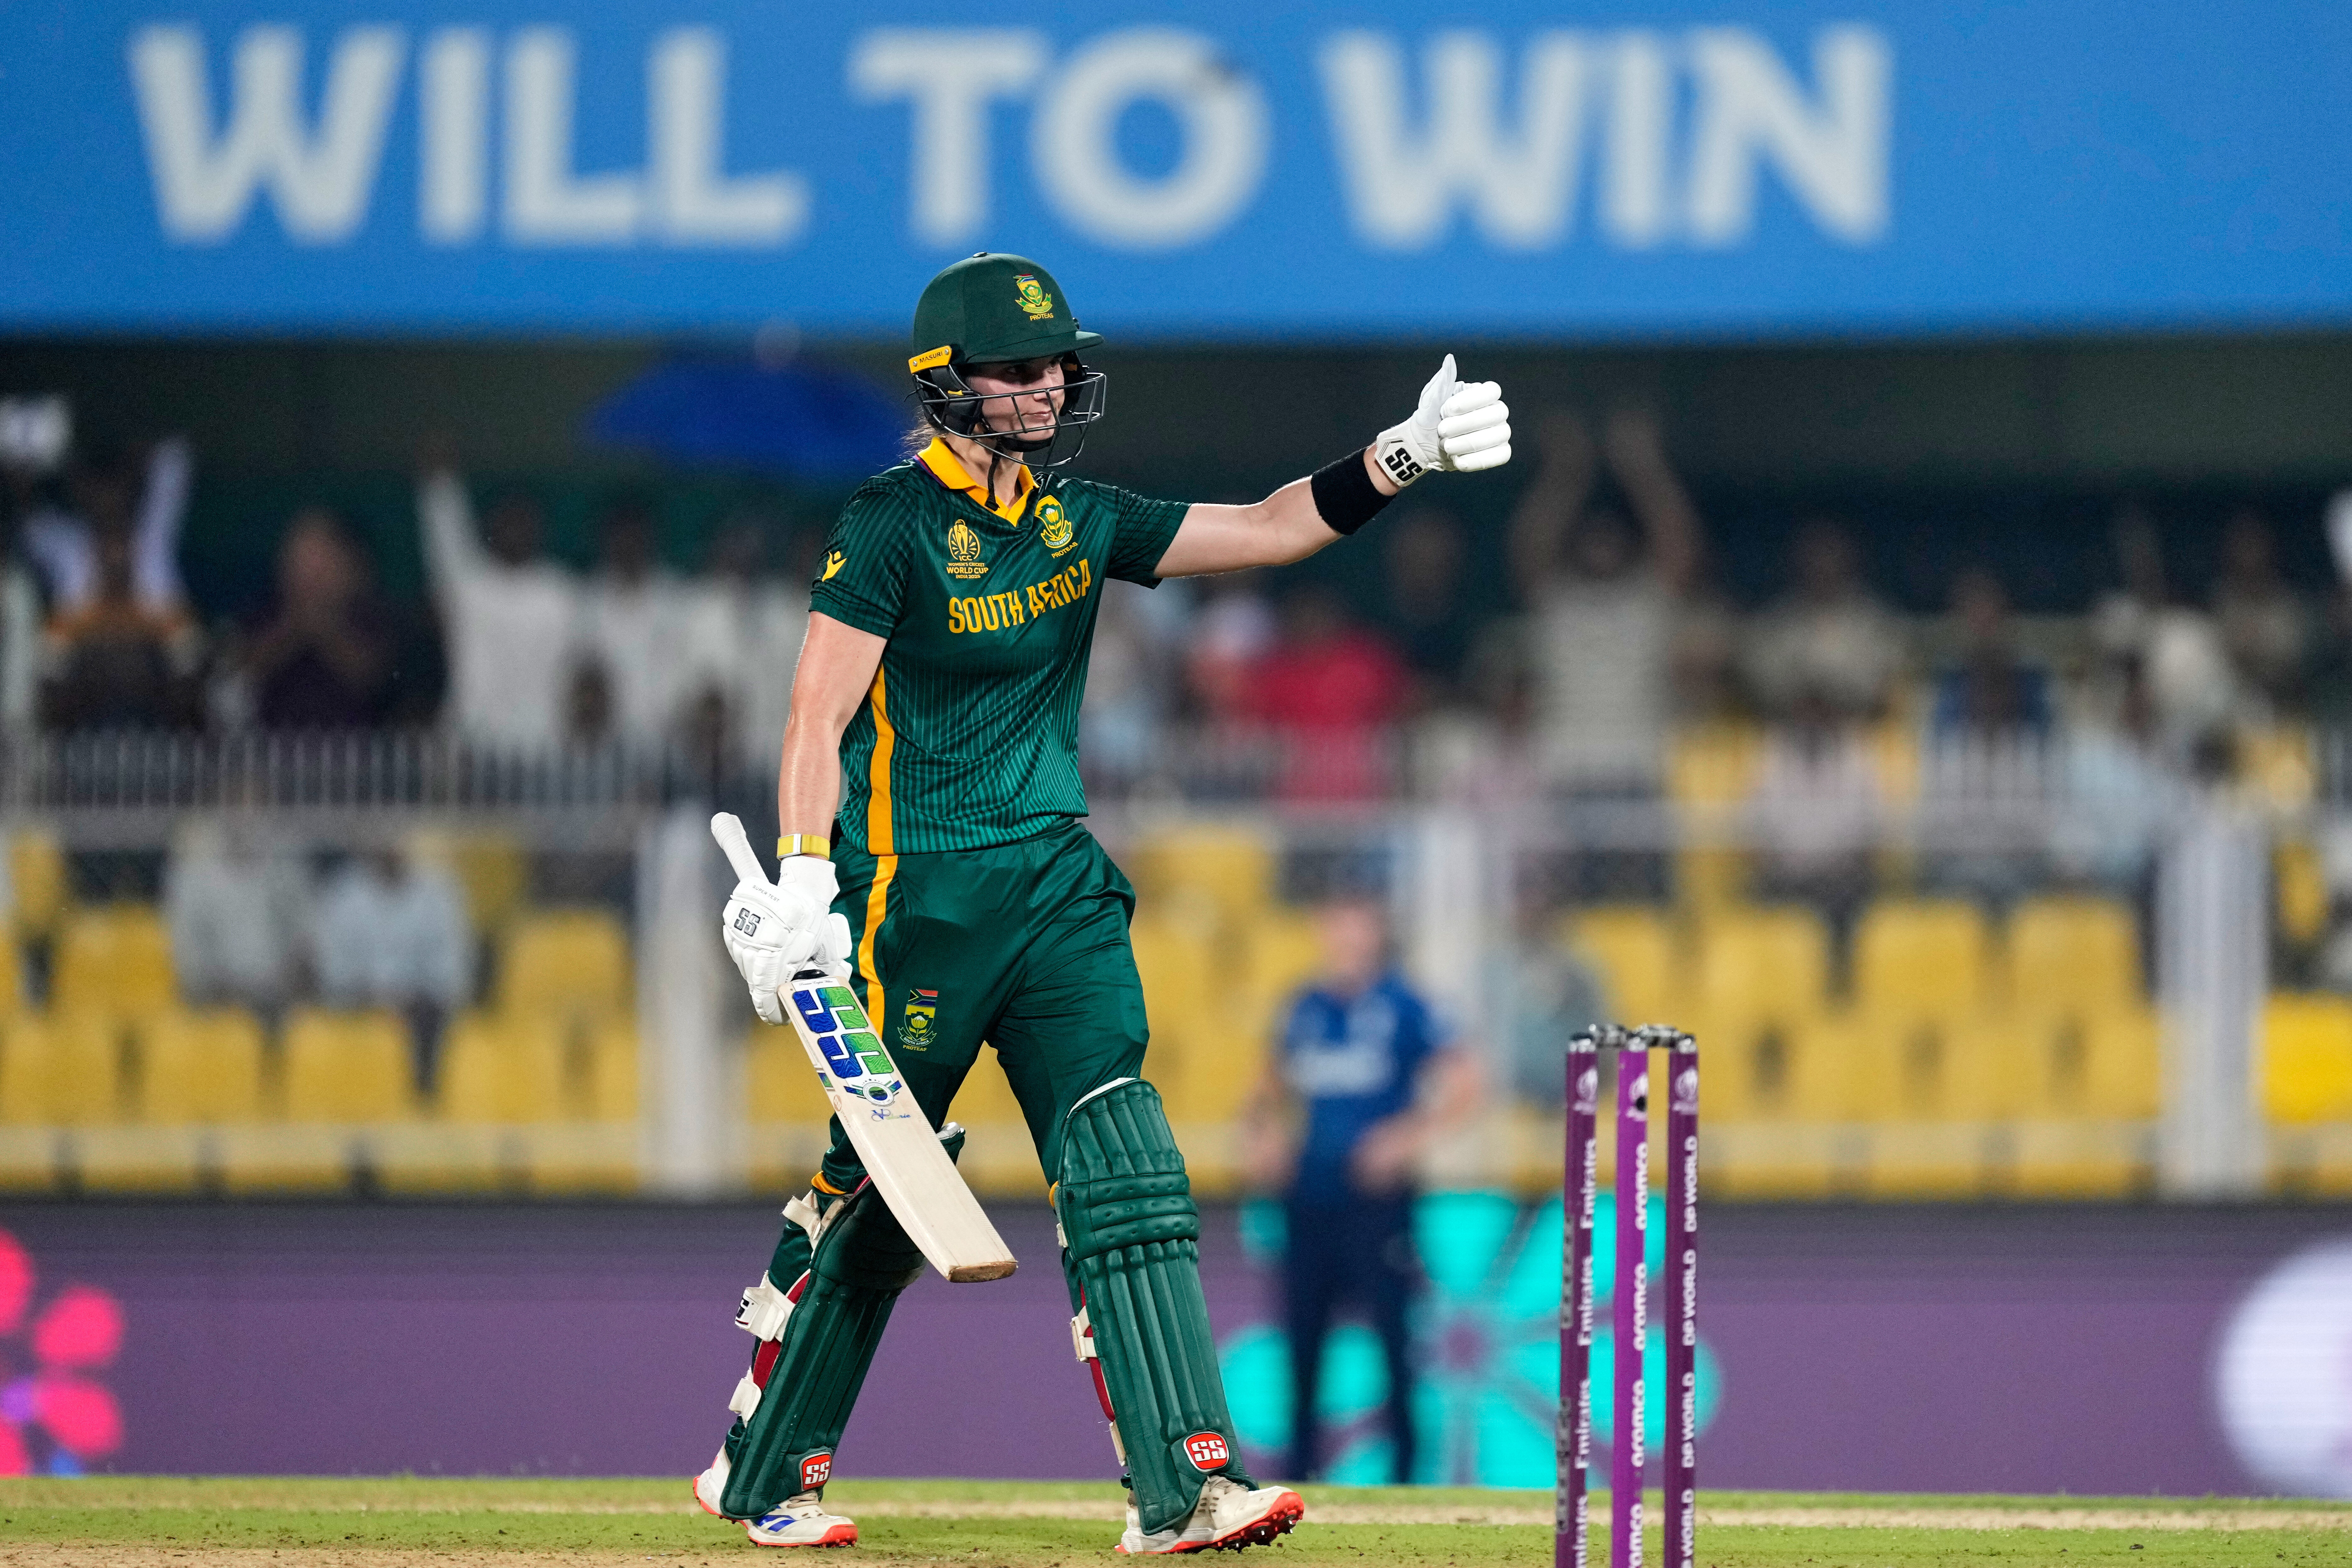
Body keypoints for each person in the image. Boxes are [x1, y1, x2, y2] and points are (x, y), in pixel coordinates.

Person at [700, 252, 1511, 1552]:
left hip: (1058, 887)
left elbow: (1263, 527)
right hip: (919, 897)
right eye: (1021, 369)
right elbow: (817, 705)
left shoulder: (1082, 520)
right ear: (948, 383)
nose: (1050, 383)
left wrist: (1400, 458)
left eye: (1055, 363)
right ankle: (759, 1471)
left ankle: (1183, 1485)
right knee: (882, 1188)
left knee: (1124, 1159)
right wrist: (804, 867)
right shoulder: (887, 522)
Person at [1242, 894, 1476, 1487]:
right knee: (1301, 1342)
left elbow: (1469, 1082)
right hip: (1308, 1199)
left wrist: (1403, 1139)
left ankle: (1405, 1479)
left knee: (1394, 1343)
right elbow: (1265, 1083)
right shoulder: (1304, 1007)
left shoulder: (1406, 1004)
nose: (1345, 938)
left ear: (1375, 932)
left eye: (1356, 926)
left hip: (1377, 1205)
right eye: (1336, 925)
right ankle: (1298, 1475)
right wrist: (1265, 1136)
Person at [1509, 410, 1701, 789]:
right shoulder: (1560, 602)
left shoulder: (1647, 601)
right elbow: (1529, 547)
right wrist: (1565, 473)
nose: (1602, 545)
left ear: (1629, 544)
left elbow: (1679, 542)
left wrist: (1643, 464)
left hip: (1640, 766)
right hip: (1565, 768)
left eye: (1611, 536)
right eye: (1593, 537)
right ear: (1577, 544)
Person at [417, 452, 582, 753]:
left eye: (524, 522)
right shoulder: (469, 585)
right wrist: (439, 483)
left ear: (540, 528)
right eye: (508, 521)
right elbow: (444, 536)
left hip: (544, 745)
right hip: (473, 743)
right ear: (490, 526)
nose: (516, 531)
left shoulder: (561, 592)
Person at [238, 509, 400, 730]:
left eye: (319, 556)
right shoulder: (267, 610)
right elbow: (242, 673)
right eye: (300, 558)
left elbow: (373, 677)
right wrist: (293, 627)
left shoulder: (368, 612)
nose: (309, 570)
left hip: (353, 747)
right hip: (277, 746)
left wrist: (325, 626)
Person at [1742, 518, 1906, 720]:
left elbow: (1888, 684)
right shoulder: (1775, 623)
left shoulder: (1876, 623)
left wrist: (1839, 700)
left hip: (1862, 734)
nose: (1822, 564)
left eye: (1831, 553)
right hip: (1784, 733)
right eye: (1815, 554)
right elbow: (1759, 683)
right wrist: (1803, 699)